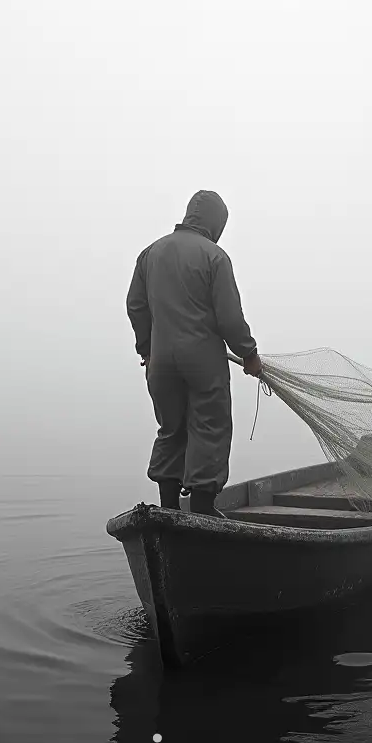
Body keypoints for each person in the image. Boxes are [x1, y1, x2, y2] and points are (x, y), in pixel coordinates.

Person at [126, 190, 262, 515]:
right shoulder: (215, 257)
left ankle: (169, 509)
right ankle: (202, 508)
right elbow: (229, 317)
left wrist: (146, 348)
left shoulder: (150, 253)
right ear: (216, 223)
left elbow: (136, 306)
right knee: (210, 427)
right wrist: (249, 354)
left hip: (160, 362)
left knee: (171, 429)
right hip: (203, 361)